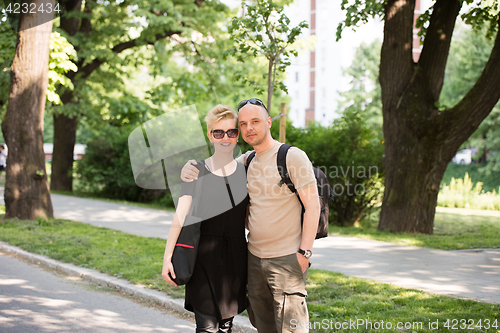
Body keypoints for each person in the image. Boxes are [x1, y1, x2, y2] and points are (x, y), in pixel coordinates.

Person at [181, 99, 320, 333]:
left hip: (286, 259)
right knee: (264, 326)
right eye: (243, 124)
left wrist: (304, 253)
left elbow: (313, 205)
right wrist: (189, 168)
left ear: (268, 122)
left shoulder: (291, 156)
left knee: (292, 329)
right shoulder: (247, 161)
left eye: (255, 121)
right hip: (254, 259)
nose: (249, 128)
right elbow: (217, 168)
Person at [162, 104, 249, 333]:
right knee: (207, 328)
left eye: (231, 132)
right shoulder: (195, 172)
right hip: (201, 260)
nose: (225, 138)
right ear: (210, 135)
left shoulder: (246, 172)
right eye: (218, 132)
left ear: (237, 135)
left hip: (235, 263)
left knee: (225, 328)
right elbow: (180, 217)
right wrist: (167, 257)